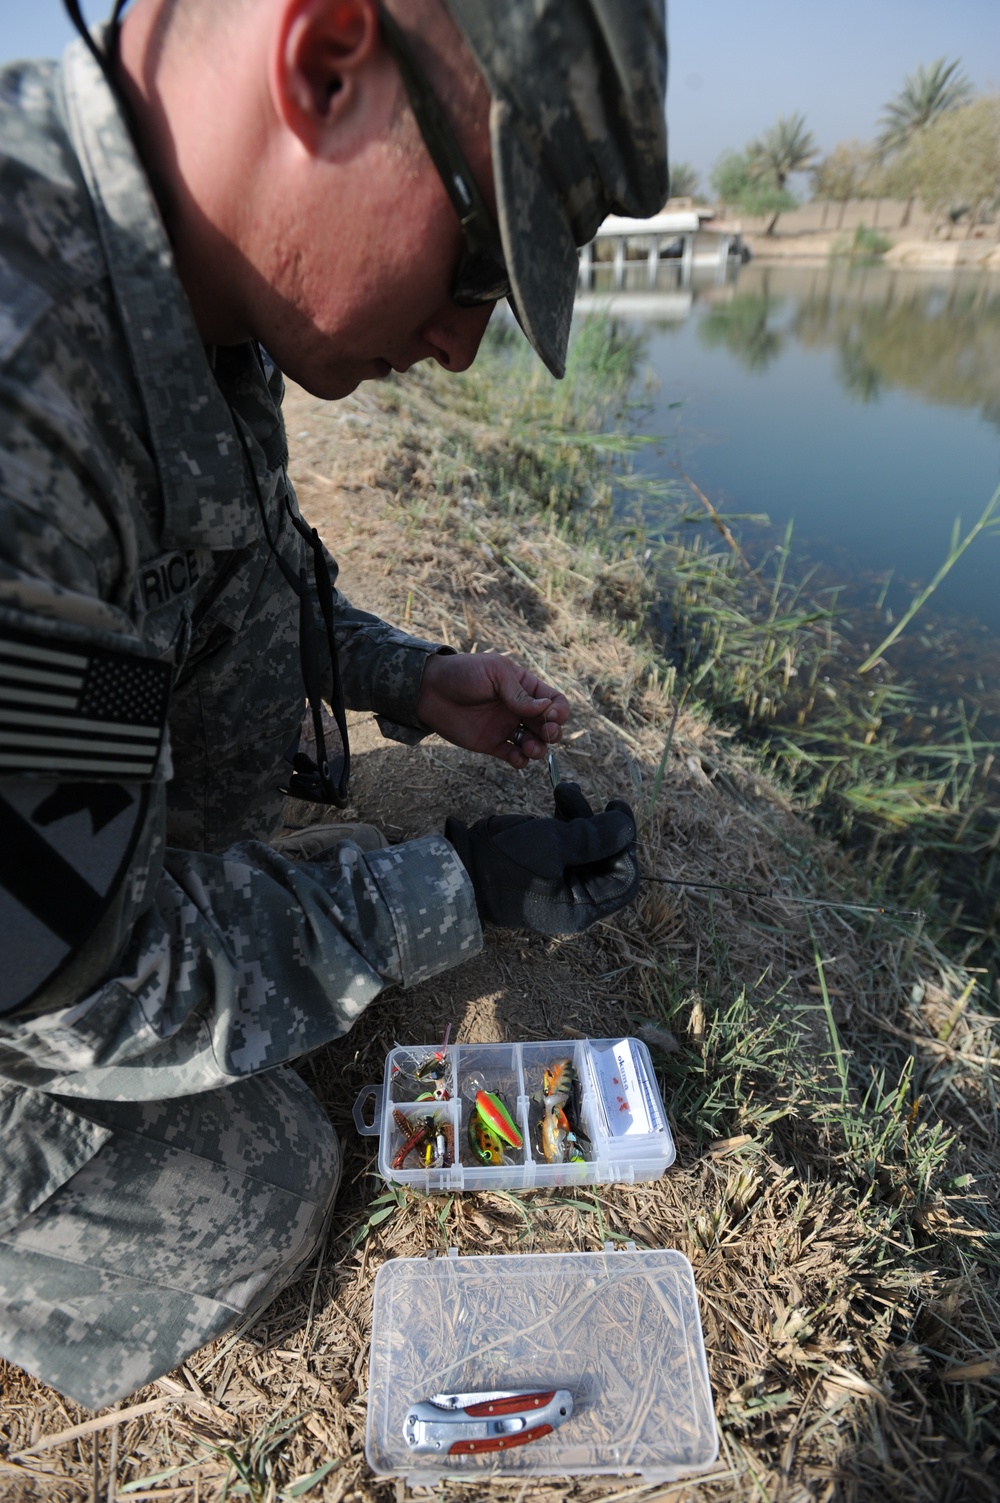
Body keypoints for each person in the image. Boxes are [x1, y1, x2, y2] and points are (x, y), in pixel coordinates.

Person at [0, 0, 668, 1409]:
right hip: (36, 978)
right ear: (323, 64)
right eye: (480, 259)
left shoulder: (185, 294)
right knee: (265, 1179)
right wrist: (452, 885)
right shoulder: (23, 398)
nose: (465, 343)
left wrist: (406, 680)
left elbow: (197, 586)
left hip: (64, 907)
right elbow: (78, 991)